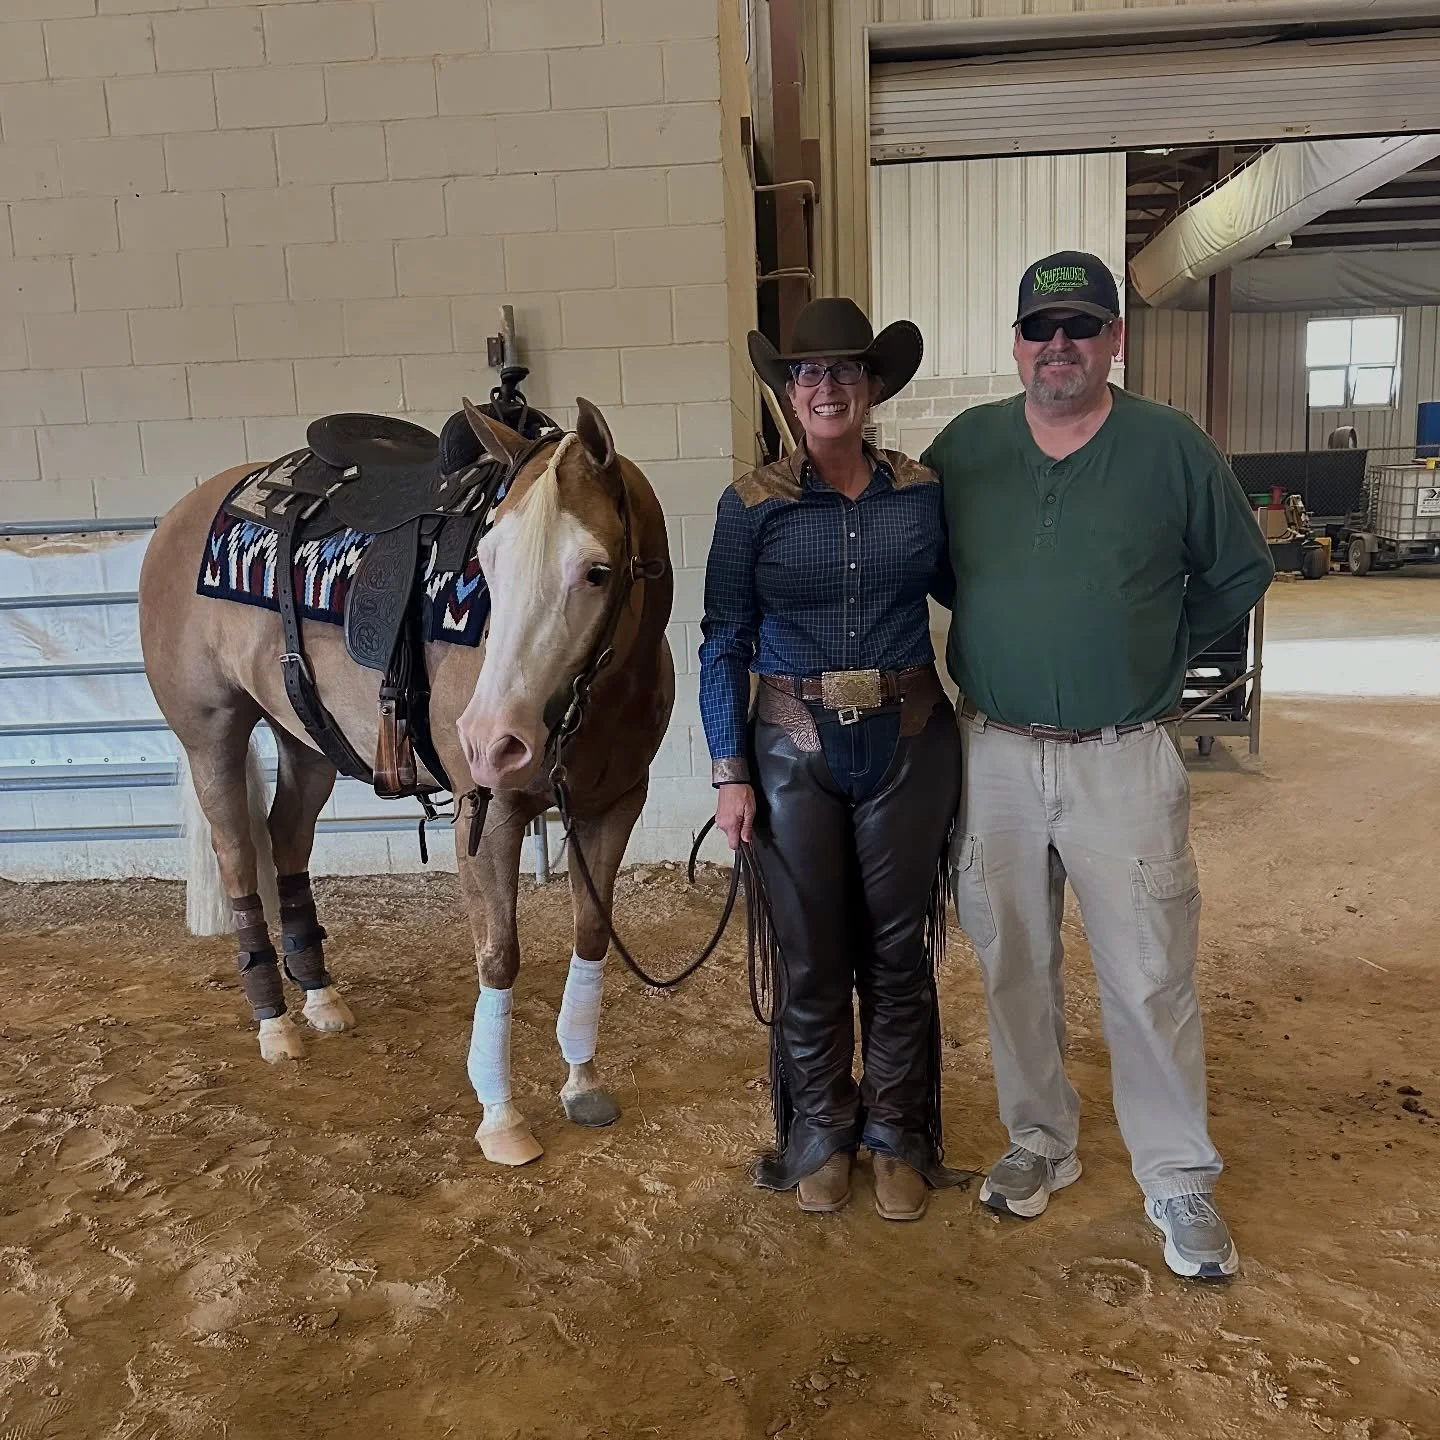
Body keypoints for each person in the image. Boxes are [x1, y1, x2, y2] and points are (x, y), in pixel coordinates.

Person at [922, 251, 1273, 1279]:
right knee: (1011, 960)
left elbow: (1239, 571)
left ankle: (1177, 1178)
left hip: (1123, 759)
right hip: (992, 752)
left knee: (1151, 972)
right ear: (1016, 344)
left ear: (1115, 338)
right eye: (1041, 328)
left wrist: (1155, 646)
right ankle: (1041, 1139)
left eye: (1081, 325)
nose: (1059, 345)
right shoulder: (967, 448)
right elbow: (936, 567)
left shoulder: (1171, 447)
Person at [699, 298, 963, 1221]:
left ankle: (895, 1133)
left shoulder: (922, 492)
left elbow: (975, 591)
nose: (827, 386)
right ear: (789, 391)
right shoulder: (750, 506)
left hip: (909, 738)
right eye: (810, 372)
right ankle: (820, 1129)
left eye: (846, 370)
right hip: (790, 744)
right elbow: (723, 640)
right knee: (809, 954)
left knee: (898, 951)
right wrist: (729, 767)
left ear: (872, 386)